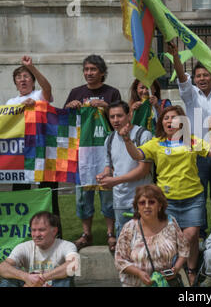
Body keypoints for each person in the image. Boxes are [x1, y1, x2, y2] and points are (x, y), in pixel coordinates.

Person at [119, 105, 211, 285]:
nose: (169, 121)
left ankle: (191, 270)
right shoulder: (156, 143)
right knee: (175, 238)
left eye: (174, 118)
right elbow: (137, 155)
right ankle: (174, 271)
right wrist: (127, 140)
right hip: (167, 200)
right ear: (161, 122)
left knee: (191, 235)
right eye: (166, 118)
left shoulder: (191, 141)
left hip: (193, 197)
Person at [64, 54, 121, 252]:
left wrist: (106, 107)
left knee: (107, 194)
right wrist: (70, 108)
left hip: (106, 150)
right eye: (86, 69)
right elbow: (66, 124)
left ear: (102, 72)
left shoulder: (112, 93)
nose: (89, 73)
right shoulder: (75, 92)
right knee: (82, 196)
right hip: (83, 154)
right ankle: (86, 234)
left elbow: (119, 119)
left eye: (93, 69)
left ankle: (110, 233)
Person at [168, 41, 211, 240]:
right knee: (198, 195)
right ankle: (200, 231)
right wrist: (175, 58)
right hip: (198, 153)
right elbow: (182, 78)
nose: (202, 78)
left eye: (206, 74)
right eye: (198, 76)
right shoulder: (191, 95)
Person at [7, 56, 60, 235]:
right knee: (21, 196)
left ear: (33, 81)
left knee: (49, 194)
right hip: (21, 157)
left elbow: (48, 88)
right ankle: (22, 235)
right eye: (19, 77)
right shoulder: (10, 103)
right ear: (15, 83)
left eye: (27, 76)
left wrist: (32, 67)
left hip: (44, 154)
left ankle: (55, 234)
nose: (23, 79)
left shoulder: (39, 95)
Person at [96, 100, 153, 240]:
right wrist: (104, 175)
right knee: (125, 243)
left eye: (119, 116)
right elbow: (109, 166)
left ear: (129, 115)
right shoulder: (109, 139)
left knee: (144, 242)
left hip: (142, 199)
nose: (115, 120)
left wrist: (114, 181)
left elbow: (143, 170)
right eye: (112, 117)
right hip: (120, 200)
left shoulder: (143, 135)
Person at [114, 184, 189, 287]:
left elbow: (184, 249)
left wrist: (176, 269)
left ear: (160, 206)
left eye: (152, 202)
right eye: (142, 203)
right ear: (137, 207)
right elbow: (120, 260)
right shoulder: (129, 228)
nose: (147, 206)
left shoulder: (171, 223)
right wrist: (139, 273)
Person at [0, 211, 78, 287]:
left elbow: (73, 264)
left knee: (67, 276)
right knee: (9, 274)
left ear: (54, 231)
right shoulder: (23, 247)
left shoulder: (66, 245)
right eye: (33, 230)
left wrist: (41, 278)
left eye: (41, 230)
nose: (36, 234)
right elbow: (2, 267)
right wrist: (26, 277)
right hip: (29, 284)